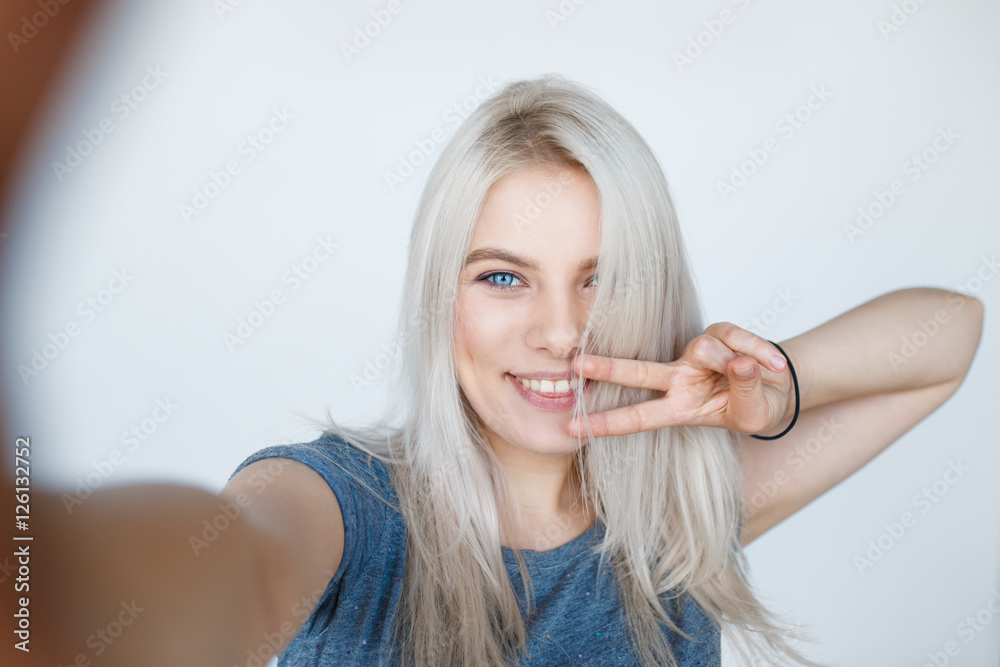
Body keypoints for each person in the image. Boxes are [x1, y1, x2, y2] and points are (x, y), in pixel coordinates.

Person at [0, 14, 983, 665]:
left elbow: (949, 333)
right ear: (441, 300)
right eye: (504, 277)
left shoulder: (674, 520)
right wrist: (47, 569)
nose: (559, 332)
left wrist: (778, 386)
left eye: (604, 279)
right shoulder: (345, 507)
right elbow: (229, 570)